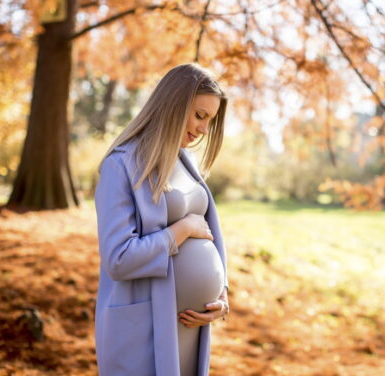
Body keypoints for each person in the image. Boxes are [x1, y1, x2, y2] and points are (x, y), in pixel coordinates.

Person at [93, 62, 230, 376]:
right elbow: (118, 258)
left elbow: (211, 235)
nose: (203, 130)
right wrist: (179, 232)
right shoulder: (121, 166)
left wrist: (221, 296)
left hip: (190, 327)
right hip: (146, 328)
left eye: (210, 120)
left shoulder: (186, 162)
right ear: (173, 104)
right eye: (199, 115)